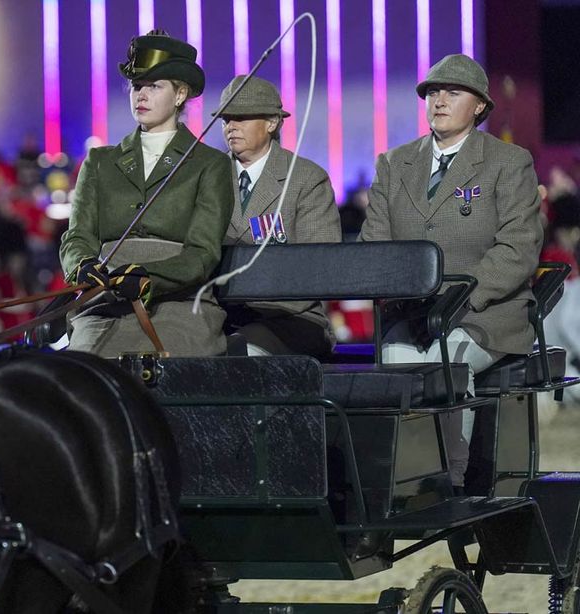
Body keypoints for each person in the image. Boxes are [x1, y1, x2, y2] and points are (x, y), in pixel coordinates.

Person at [360, 54, 543, 490]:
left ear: (479, 106)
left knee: (447, 366)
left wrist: (461, 297)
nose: (439, 101)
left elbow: (518, 248)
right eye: (432, 93)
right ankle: (396, 484)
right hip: (412, 313)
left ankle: (450, 481)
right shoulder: (394, 163)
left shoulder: (508, 162)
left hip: (485, 314)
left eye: (452, 93)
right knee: (395, 365)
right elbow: (375, 246)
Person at [59, 31, 233, 357]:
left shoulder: (210, 165)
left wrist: (149, 276)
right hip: (105, 302)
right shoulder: (99, 162)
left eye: (154, 86)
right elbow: (77, 236)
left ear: (180, 94)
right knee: (82, 373)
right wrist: (82, 265)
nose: (142, 94)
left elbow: (202, 254)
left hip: (178, 304)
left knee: (167, 374)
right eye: (137, 86)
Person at [217, 75, 341, 358]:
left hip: (291, 318)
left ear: (272, 123)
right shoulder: (208, 176)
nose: (231, 126)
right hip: (218, 317)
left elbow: (320, 266)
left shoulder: (306, 180)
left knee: (240, 351)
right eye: (226, 119)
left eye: (242, 118)